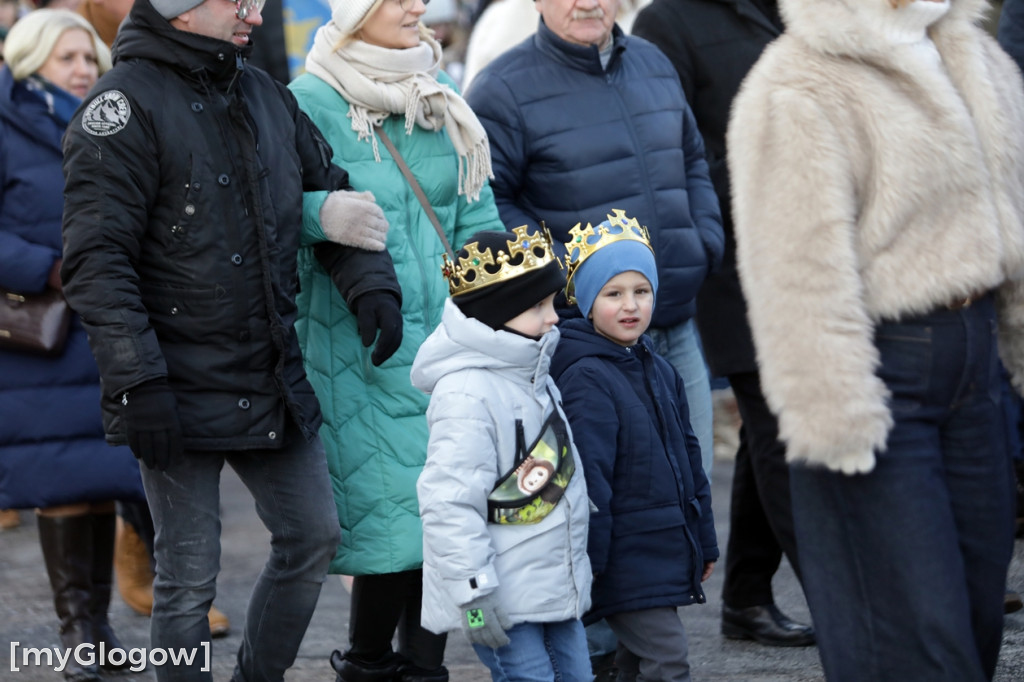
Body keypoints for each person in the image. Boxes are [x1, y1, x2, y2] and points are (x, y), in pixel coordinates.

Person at [59, 0, 400, 679]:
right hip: (170, 388)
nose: (255, 10)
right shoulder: (121, 107)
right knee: (186, 576)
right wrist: (137, 379)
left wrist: (369, 282)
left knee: (313, 536)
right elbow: (97, 259)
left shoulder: (265, 93)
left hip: (268, 369)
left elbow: (329, 189)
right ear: (181, 10)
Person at [727, 0, 1024, 679]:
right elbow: (795, 270)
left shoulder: (980, 57)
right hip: (879, 375)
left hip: (979, 374)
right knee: (912, 639)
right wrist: (831, 413)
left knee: (977, 622)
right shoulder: (798, 80)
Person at [287, 0, 505, 679]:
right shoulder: (307, 101)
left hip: (451, 343)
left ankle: (420, 667)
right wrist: (326, 216)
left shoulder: (436, 98)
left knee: (446, 518)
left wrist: (500, 293)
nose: (420, 7)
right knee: (392, 518)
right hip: (362, 346)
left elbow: (474, 208)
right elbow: (272, 207)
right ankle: (372, 661)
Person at [465, 0, 724, 479]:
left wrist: (703, 240)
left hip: (677, 331)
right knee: (612, 512)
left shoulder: (653, 62)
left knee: (693, 495)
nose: (588, 3)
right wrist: (576, 276)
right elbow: (490, 204)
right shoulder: (502, 88)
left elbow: (691, 159)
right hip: (584, 346)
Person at [631, 0, 815, 648]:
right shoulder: (668, 20)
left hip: (811, 252)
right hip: (735, 258)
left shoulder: (797, 9)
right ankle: (844, 591)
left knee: (774, 434)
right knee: (780, 429)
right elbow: (674, 148)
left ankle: (746, 596)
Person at [0, 9, 147, 682]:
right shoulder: (7, 124)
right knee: (60, 481)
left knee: (103, 477)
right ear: (31, 63)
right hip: (45, 332)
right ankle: (77, 633)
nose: (84, 70)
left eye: (90, 58)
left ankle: (102, 627)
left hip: (109, 321)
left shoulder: (112, 123)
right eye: (68, 59)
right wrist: (48, 267)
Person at [411, 226, 593, 680]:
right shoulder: (466, 394)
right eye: (538, 307)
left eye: (552, 303)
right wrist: (474, 594)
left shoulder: (533, 371)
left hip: (549, 583)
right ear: (499, 313)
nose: (554, 318)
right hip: (499, 594)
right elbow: (448, 502)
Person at [550, 211, 718, 682]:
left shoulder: (659, 369)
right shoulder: (586, 376)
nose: (631, 306)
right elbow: (590, 479)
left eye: (641, 291)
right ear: (585, 301)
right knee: (668, 660)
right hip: (623, 559)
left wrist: (701, 540)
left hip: (661, 551)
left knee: (635, 662)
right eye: (613, 293)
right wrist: (592, 565)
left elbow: (689, 460)